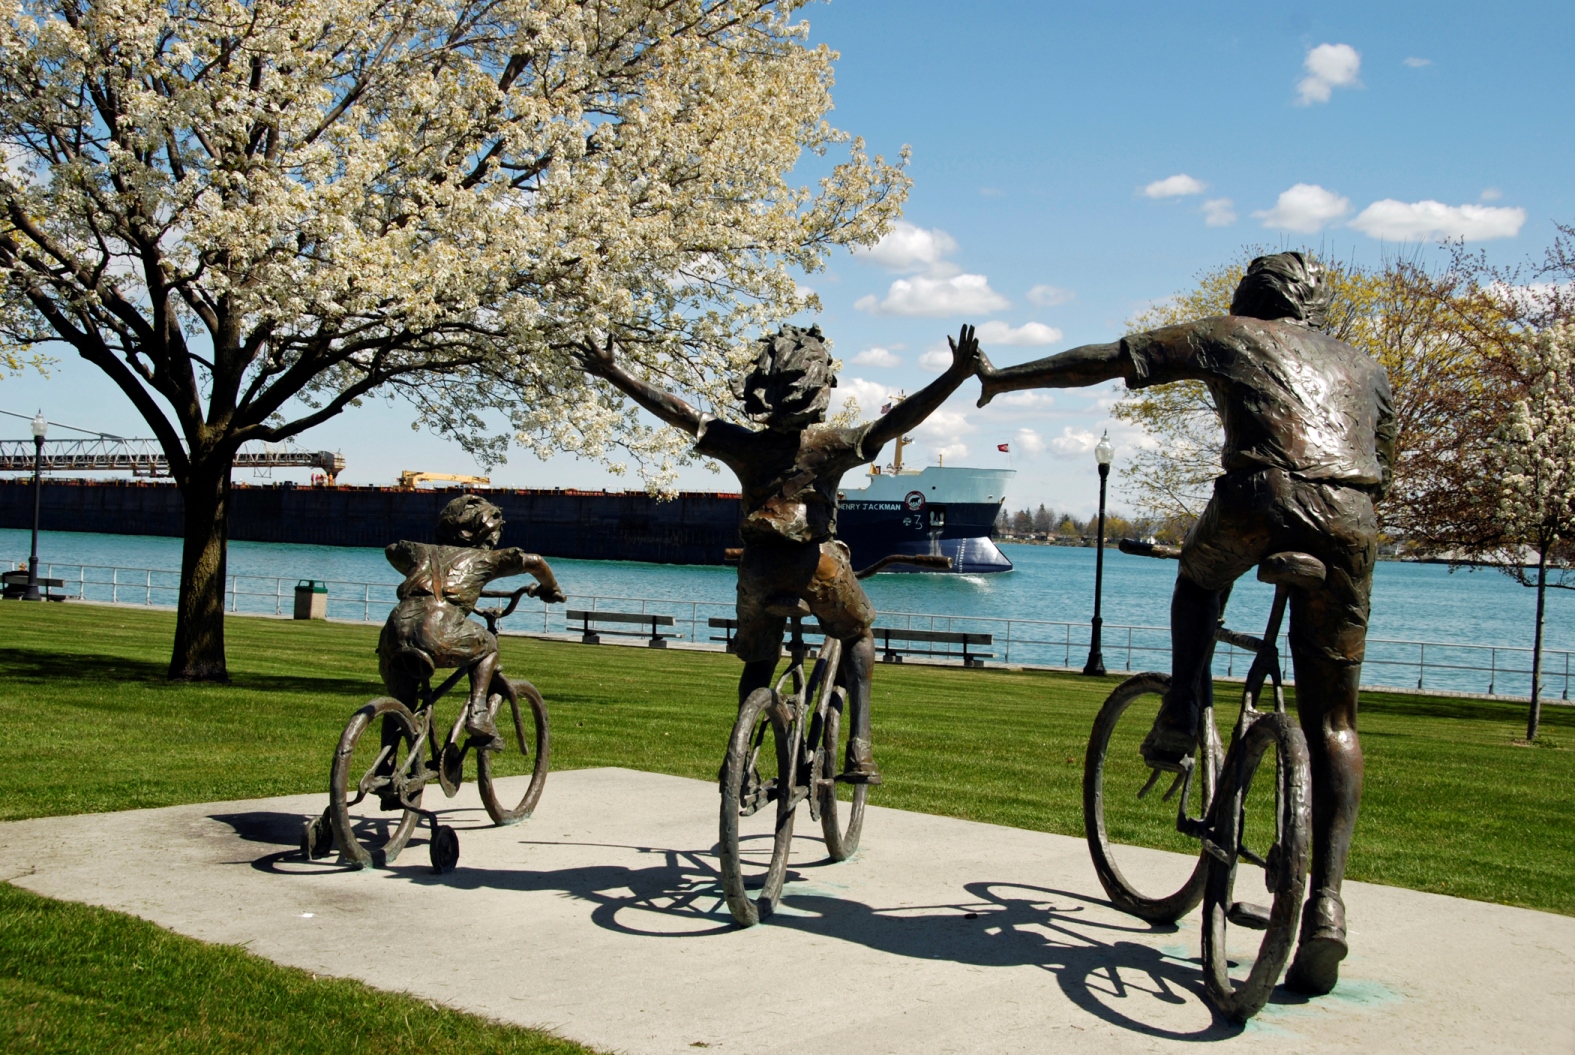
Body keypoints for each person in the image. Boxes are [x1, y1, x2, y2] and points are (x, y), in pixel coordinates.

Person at [975, 252, 1395, 995]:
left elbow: (1104, 360)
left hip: (1258, 499)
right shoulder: (1364, 364)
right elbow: (1381, 459)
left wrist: (1003, 377)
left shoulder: (1229, 334)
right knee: (1334, 718)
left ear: (1250, 299)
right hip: (1351, 520)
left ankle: (1178, 709)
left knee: (1196, 582)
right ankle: (1326, 900)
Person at [575, 323, 981, 783]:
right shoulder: (833, 446)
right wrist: (955, 375)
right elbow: (902, 418)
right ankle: (860, 749)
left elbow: (677, 411)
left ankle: (742, 757)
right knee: (858, 634)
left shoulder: (742, 445)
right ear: (821, 386)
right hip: (818, 566)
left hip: (758, 569)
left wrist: (613, 372)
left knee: (758, 662)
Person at [377, 494, 566, 748]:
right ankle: (478, 713)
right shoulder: (484, 559)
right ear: (489, 534)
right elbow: (534, 561)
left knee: (402, 701)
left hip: (394, 630)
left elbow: (392, 550)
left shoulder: (419, 552)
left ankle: (386, 770)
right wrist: (551, 589)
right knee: (488, 645)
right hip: (437, 631)